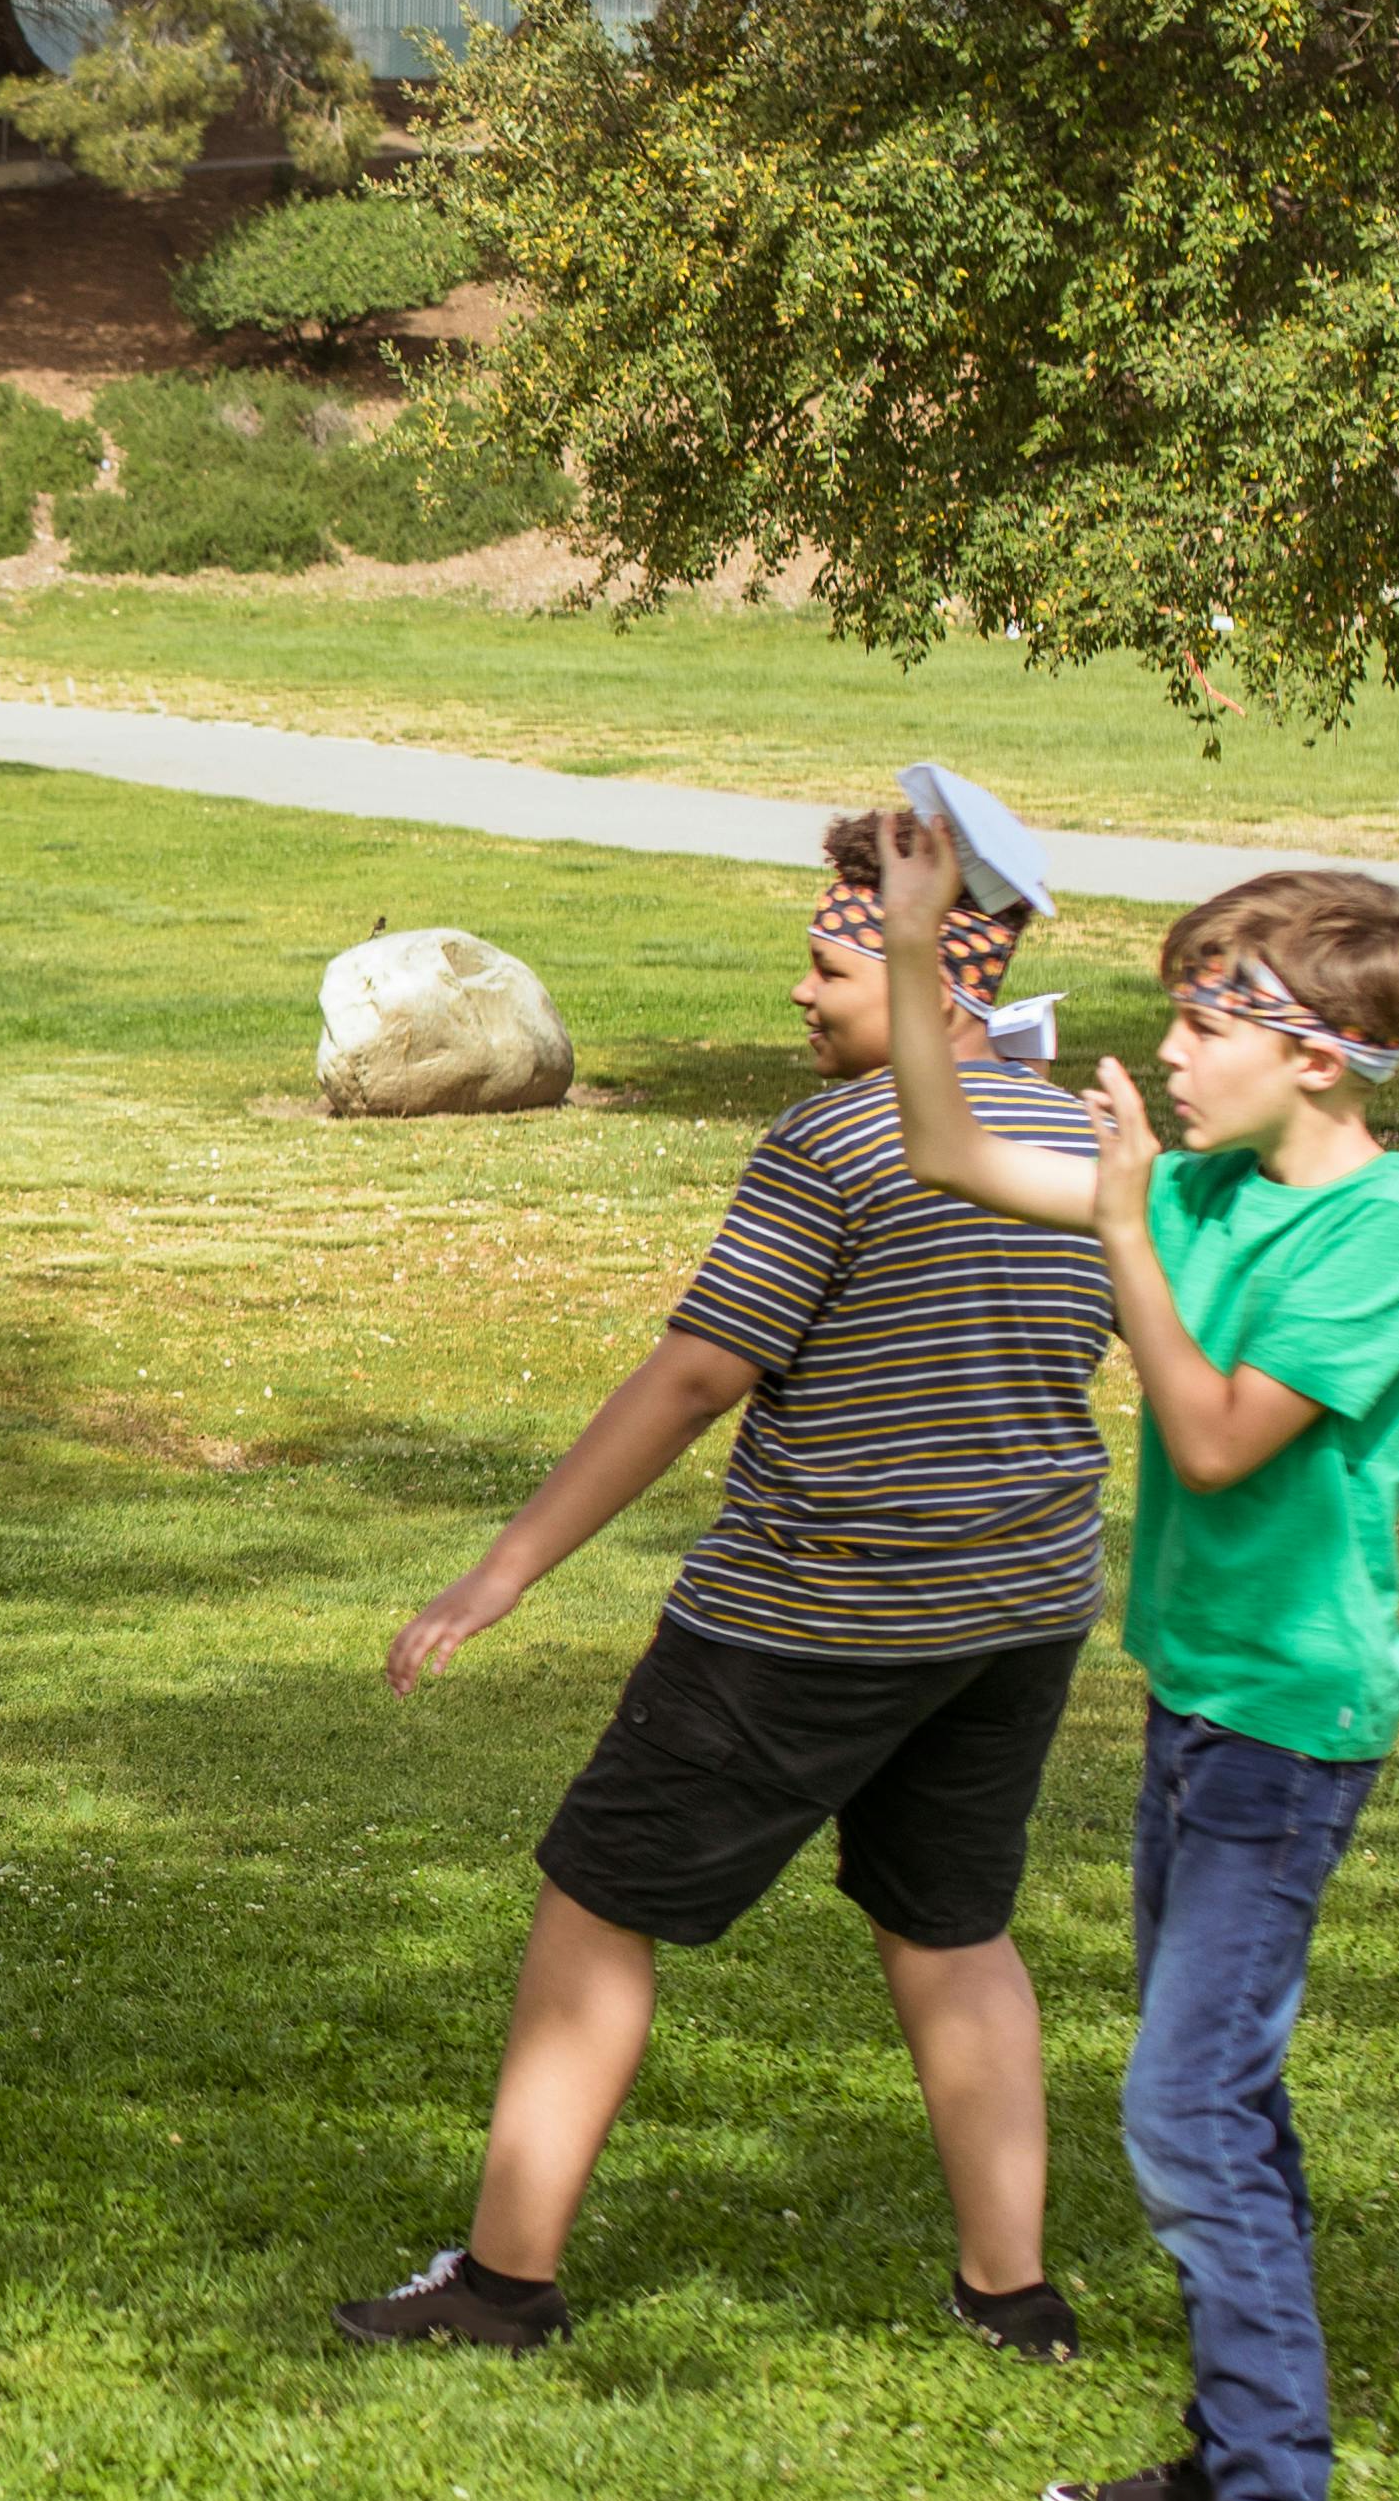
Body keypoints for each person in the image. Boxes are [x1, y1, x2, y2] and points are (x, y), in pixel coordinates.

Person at [338, 809, 1118, 2364]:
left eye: (829, 964)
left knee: (600, 1898)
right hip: (1017, 1613)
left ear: (929, 970)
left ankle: (501, 2286)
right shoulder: (1091, 1141)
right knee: (952, 1927)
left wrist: (501, 1571)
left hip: (808, 1613)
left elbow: (700, 1373)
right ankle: (1010, 2296)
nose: (802, 996)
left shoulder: (837, 1143)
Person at [874, 827, 1399, 2501]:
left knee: (1187, 2108)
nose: (1168, 1055)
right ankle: (1232, 2456)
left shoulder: (1384, 1233)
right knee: (1230, 2088)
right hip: (1203, 1703)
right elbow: (951, 1147)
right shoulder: (1209, 1192)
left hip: (1292, 1726)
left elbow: (1212, 1439)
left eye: (1202, 1022)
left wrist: (1130, 1221)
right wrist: (913, 956)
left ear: (1309, 1050)